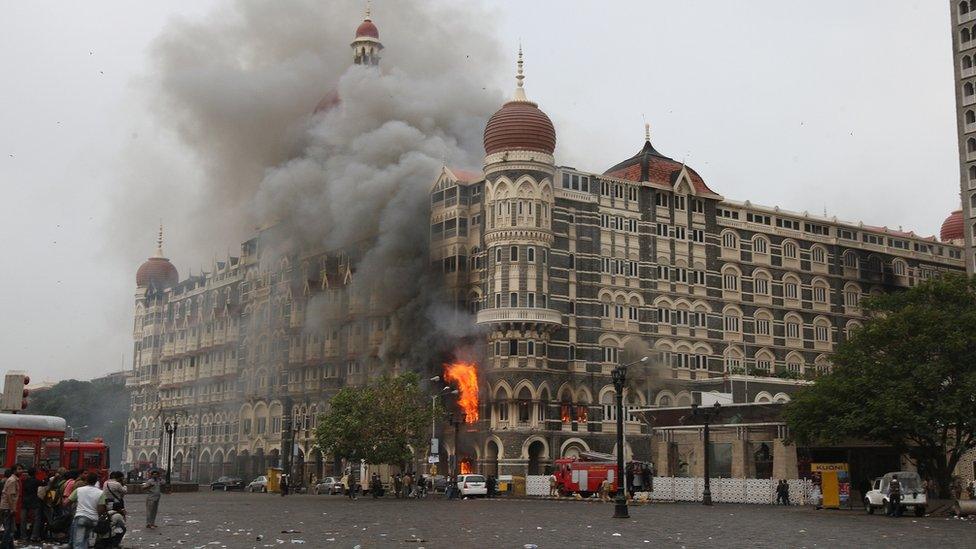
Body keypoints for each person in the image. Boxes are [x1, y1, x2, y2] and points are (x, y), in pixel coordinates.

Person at [68, 472, 106, 549]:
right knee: (85, 539)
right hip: (93, 520)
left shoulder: (79, 490)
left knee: (78, 543)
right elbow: (101, 508)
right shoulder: (101, 493)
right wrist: (95, 514)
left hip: (81, 517)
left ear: (86, 480)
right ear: (96, 481)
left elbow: (66, 502)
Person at [0, 465, 22, 549]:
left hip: (6, 507)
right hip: (7, 507)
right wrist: (12, 508)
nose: (21, 471)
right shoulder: (12, 481)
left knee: (10, 528)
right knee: (8, 529)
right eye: (19, 469)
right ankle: (4, 546)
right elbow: (9, 495)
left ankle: (10, 546)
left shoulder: (13, 480)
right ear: (14, 471)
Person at [22, 467, 42, 542]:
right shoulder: (36, 481)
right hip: (34, 501)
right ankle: (34, 536)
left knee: (23, 519)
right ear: (35, 473)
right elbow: (45, 483)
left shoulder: (25, 481)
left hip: (25, 501)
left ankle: (23, 536)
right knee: (37, 519)